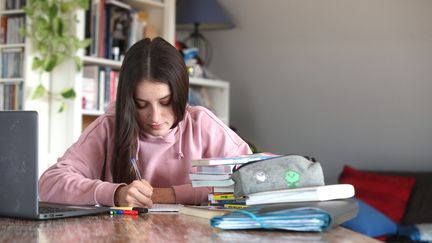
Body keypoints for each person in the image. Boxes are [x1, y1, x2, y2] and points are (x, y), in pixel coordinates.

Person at [39, 37, 252, 207]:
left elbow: (252, 178)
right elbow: (50, 182)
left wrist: (170, 194)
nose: (155, 118)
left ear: (180, 94)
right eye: (141, 104)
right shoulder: (109, 126)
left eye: (166, 102)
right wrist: (115, 193)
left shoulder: (201, 123)